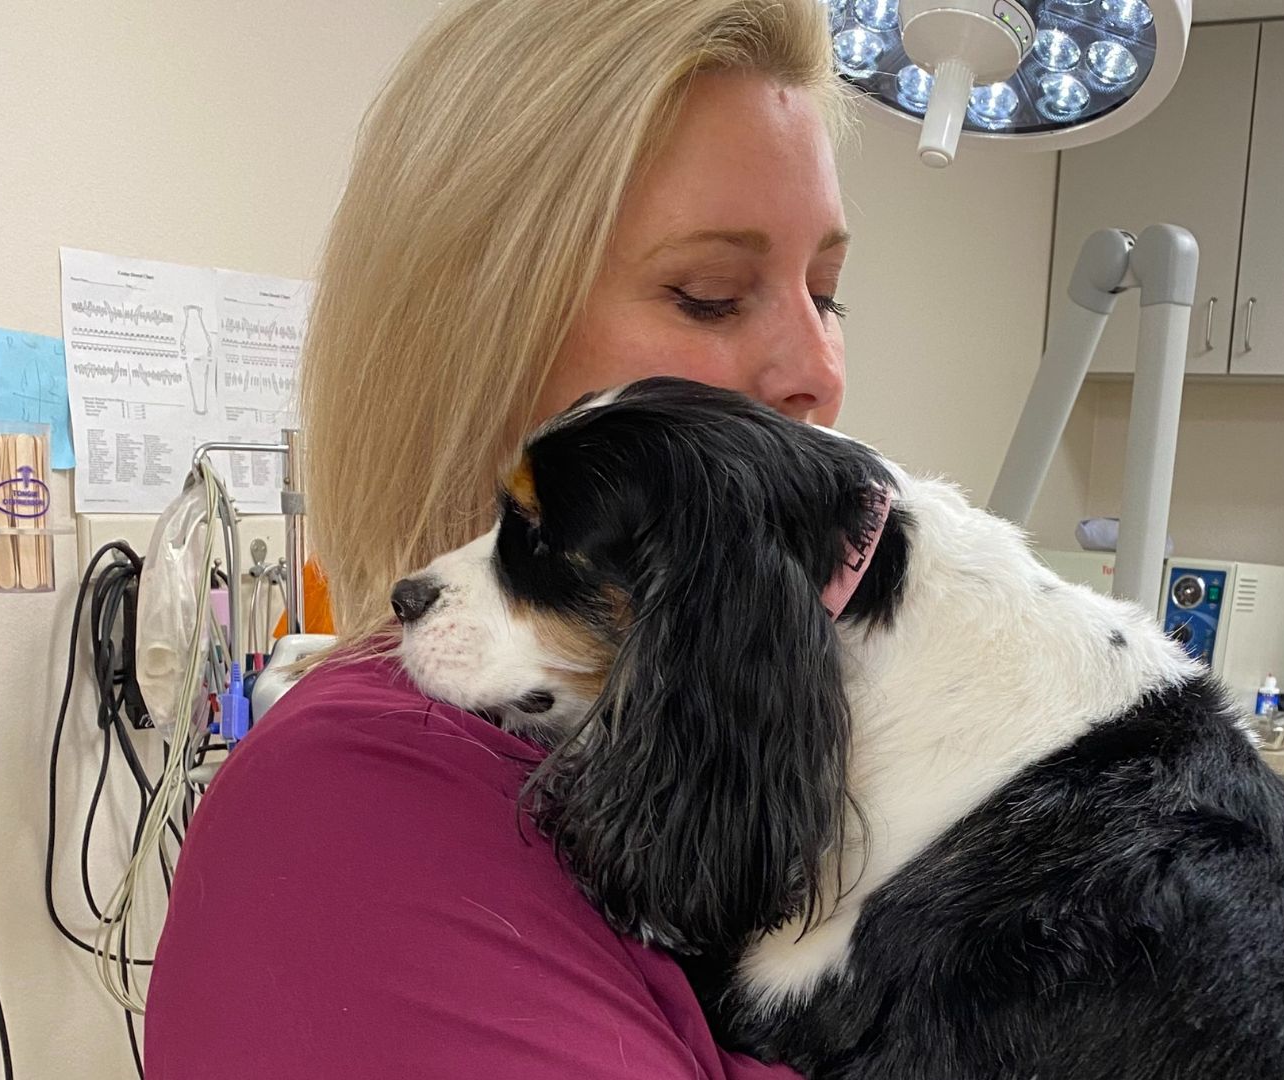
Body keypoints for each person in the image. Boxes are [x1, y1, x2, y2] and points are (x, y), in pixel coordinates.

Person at [144, 1, 849, 1075]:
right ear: (472, 334)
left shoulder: (698, 746)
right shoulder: (361, 804)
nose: (821, 370)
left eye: (832, 294)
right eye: (710, 295)